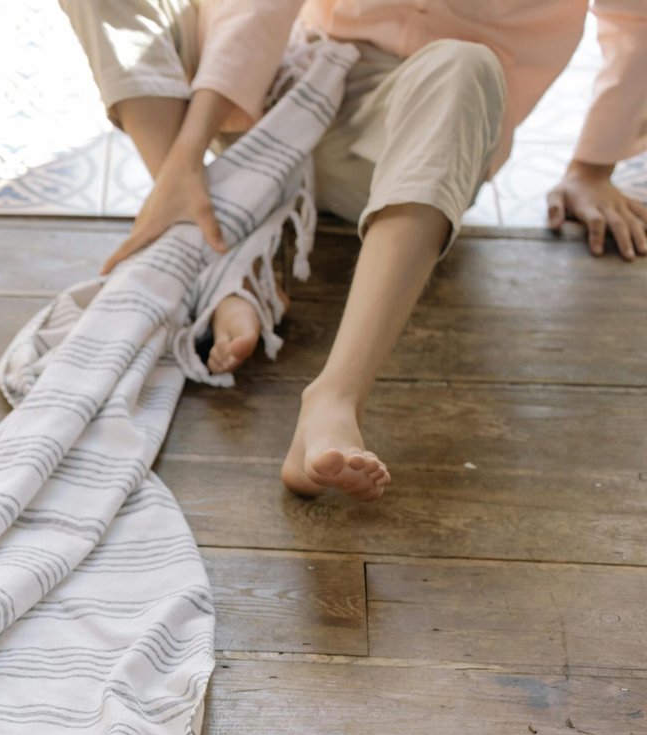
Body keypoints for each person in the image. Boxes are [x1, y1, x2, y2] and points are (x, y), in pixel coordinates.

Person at [58, 0, 647, 501]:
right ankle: (214, 255)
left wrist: (593, 166)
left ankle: (334, 399)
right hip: (276, 77)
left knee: (467, 65)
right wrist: (186, 152)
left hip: (411, 132)